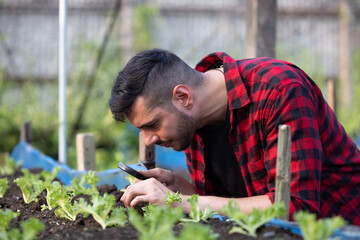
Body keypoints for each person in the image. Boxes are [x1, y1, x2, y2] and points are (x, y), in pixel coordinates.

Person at [108, 48, 360, 225]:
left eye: (152, 124)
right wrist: (179, 189)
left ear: (183, 97)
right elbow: (235, 203)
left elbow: (294, 209)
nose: (149, 139)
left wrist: (184, 203)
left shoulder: (279, 90)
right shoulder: (191, 124)